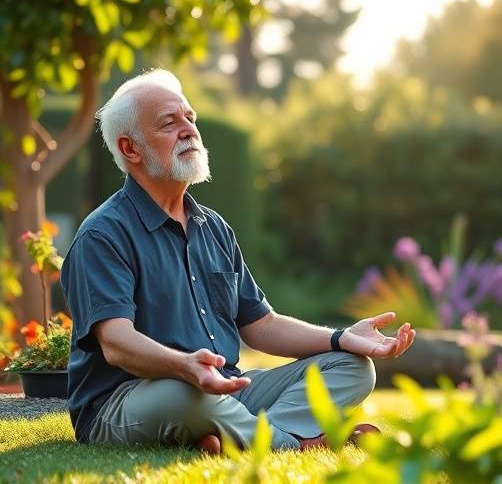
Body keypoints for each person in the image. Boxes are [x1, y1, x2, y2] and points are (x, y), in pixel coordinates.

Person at [61, 69, 415, 453]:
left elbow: (262, 325)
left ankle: (230, 436)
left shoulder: (214, 228)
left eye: (190, 118)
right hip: (127, 401)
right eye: (169, 122)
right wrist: (185, 366)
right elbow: (116, 343)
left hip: (225, 389)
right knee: (186, 395)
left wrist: (341, 338)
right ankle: (293, 444)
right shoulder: (103, 233)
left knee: (353, 367)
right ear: (130, 149)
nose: (188, 130)